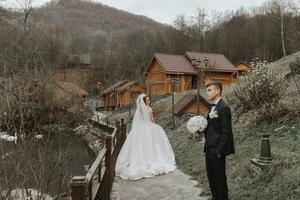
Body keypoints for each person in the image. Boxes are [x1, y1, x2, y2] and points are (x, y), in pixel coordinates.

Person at [115, 93, 176, 180]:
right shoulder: (148, 109)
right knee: (148, 143)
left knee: (146, 144)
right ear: (144, 102)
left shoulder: (140, 110)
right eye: (147, 100)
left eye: (148, 100)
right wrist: (154, 126)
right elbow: (152, 120)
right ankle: (145, 160)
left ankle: (146, 159)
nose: (149, 101)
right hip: (147, 127)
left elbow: (141, 120)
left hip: (142, 128)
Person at [204, 82, 235, 200]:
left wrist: (219, 151)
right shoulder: (212, 107)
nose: (207, 92)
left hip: (217, 150)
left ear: (217, 91)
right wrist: (201, 131)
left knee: (220, 179)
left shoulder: (224, 107)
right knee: (211, 178)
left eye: (209, 90)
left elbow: (226, 132)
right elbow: (212, 127)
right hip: (209, 148)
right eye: (207, 90)